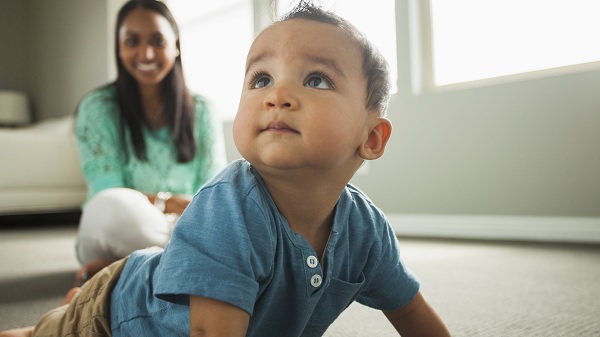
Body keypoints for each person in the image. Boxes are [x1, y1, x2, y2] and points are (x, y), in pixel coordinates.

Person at [0, 1, 451, 336]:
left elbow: (411, 312)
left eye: (316, 79)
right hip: (117, 313)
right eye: (261, 79)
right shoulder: (231, 205)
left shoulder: (366, 229)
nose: (277, 95)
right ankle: (72, 305)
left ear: (371, 139)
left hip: (177, 234)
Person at [72, 0, 226, 284]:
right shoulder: (98, 107)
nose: (146, 53)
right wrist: (168, 202)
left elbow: (212, 196)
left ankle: (122, 272)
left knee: (227, 220)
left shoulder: (203, 111)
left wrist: (183, 214)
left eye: (157, 40)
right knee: (112, 207)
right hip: (117, 227)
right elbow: (108, 191)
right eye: (132, 41)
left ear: (176, 45)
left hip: (186, 227)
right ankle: (177, 266)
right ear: (119, 48)